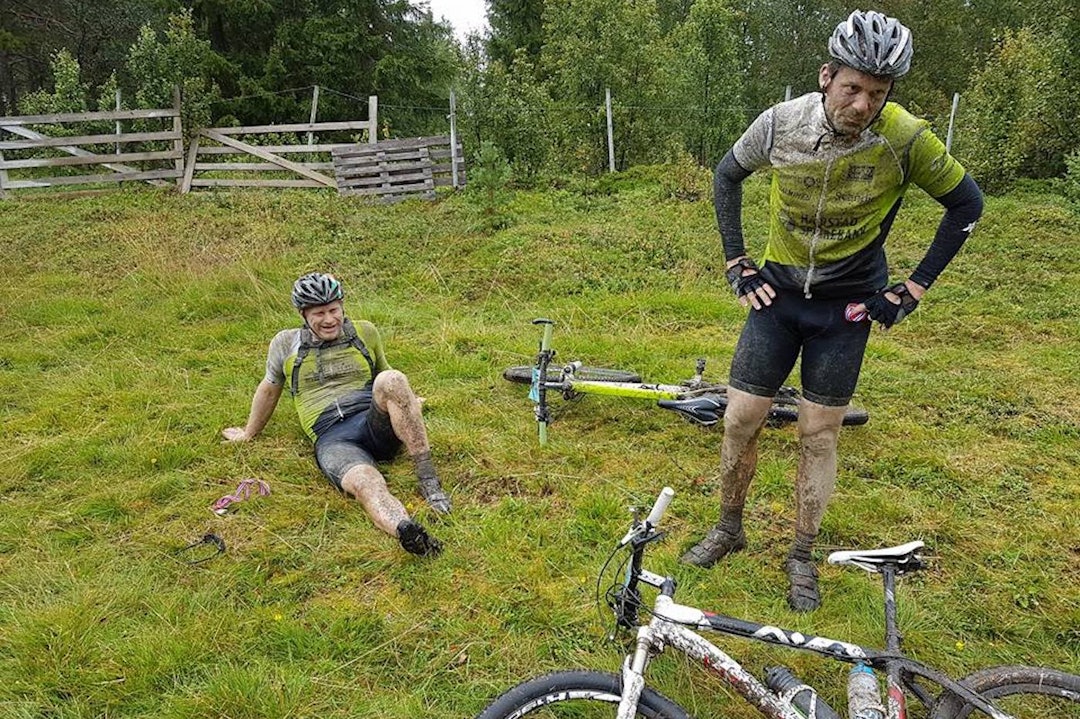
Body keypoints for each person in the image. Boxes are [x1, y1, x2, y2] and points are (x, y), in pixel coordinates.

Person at [680, 10, 984, 610]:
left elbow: (966, 204)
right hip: (779, 296)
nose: (862, 103)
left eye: (877, 92)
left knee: (818, 434)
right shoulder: (780, 124)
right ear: (826, 77)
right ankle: (728, 527)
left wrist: (914, 288)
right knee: (741, 417)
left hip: (846, 307)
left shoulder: (905, 138)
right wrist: (736, 263)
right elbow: (726, 175)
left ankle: (800, 554)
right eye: (852, 87)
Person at [222, 272, 450, 557]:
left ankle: (428, 479)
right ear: (303, 314)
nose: (329, 319)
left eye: (334, 310)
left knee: (392, 378)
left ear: (342, 307)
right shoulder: (284, 343)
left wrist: (409, 404)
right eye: (319, 313)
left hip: (371, 419)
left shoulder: (365, 332)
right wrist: (248, 433)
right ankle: (406, 530)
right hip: (333, 438)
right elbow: (269, 389)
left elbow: (386, 375)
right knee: (365, 482)